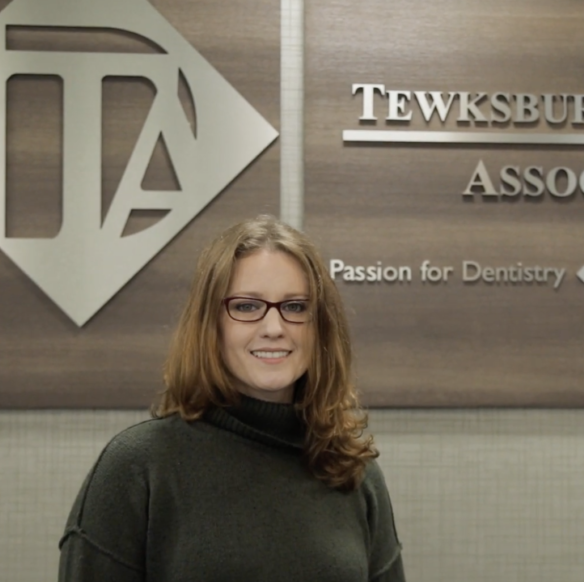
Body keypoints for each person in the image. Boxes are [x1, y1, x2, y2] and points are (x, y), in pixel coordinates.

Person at [58, 215, 405, 581]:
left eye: (295, 307)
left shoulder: (351, 470)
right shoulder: (138, 467)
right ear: (211, 324)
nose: (274, 328)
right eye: (246, 307)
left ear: (320, 325)